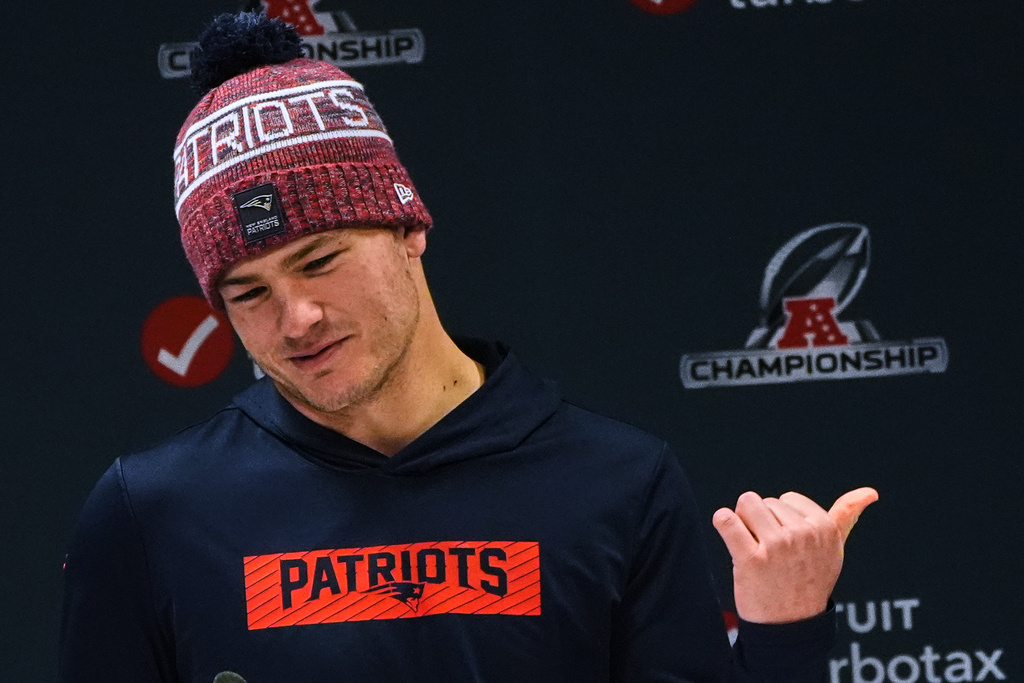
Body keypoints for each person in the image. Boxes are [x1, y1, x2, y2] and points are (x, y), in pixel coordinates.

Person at [59, 12, 876, 683]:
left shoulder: (617, 481)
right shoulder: (149, 514)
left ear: (409, 225)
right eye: (248, 292)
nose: (298, 317)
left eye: (322, 260)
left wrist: (784, 635)